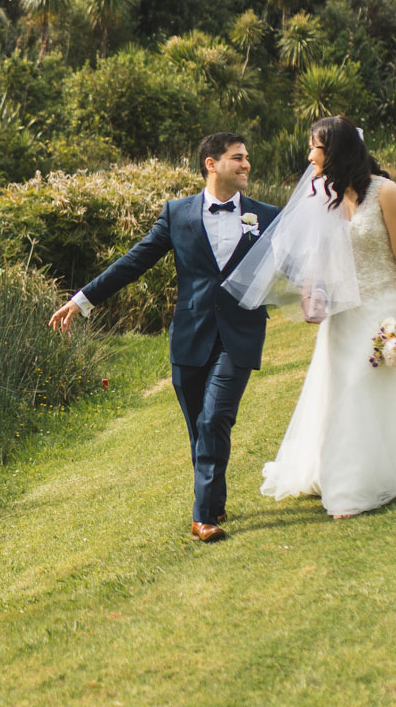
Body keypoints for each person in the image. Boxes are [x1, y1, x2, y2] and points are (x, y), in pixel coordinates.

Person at [49, 132, 280, 542]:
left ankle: (203, 517)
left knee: (214, 419)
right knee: (199, 428)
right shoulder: (177, 214)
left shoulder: (266, 215)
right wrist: (82, 300)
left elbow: (297, 264)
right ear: (211, 163)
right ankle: (216, 499)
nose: (246, 165)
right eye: (237, 158)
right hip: (190, 337)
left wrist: (326, 297)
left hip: (240, 335)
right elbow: (133, 262)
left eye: (247, 158)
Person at [225, 116, 396, 518]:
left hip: (382, 303)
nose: (309, 155)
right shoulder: (324, 198)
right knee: (341, 391)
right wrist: (310, 293)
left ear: (335, 150)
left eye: (315, 147)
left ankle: (353, 486)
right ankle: (342, 468)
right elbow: (314, 255)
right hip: (342, 312)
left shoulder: (386, 192)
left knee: (366, 388)